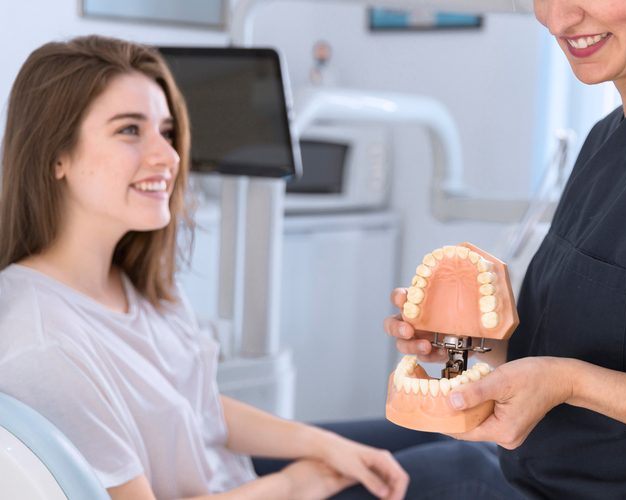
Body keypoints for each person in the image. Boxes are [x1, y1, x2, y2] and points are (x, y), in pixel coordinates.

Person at [0, 35, 410, 500]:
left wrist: (325, 446)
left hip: (234, 478)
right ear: (56, 155)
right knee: (467, 469)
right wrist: (295, 485)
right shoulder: (42, 344)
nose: (169, 157)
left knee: (443, 438)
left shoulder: (139, 281)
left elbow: (198, 407)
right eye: (130, 130)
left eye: (167, 132)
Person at [384, 0, 626, 498]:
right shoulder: (606, 137)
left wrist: (572, 383)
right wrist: (459, 343)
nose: (558, 19)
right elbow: (571, 350)